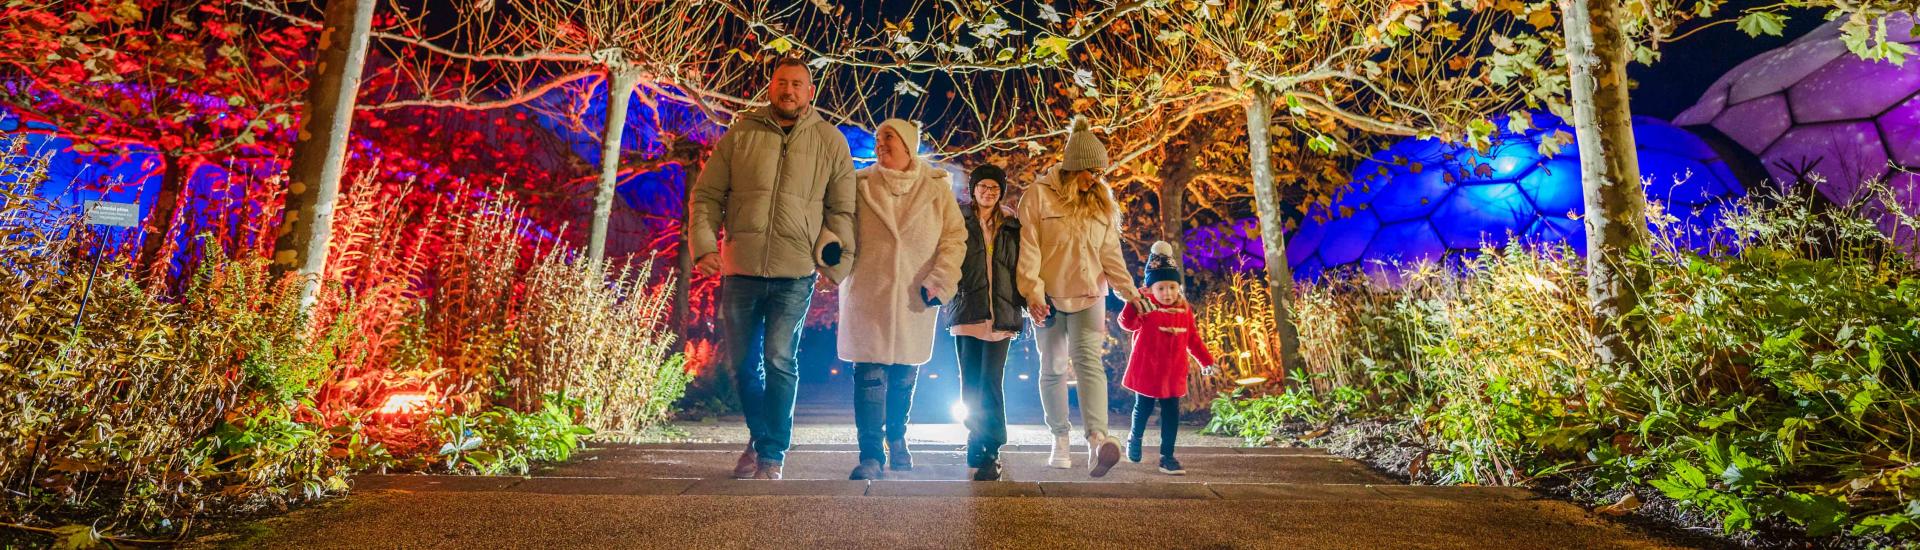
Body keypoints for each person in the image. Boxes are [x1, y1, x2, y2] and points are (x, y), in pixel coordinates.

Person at [687, 56, 858, 481]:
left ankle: (771, 455)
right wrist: (704, 247)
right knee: (742, 365)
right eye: (782, 82)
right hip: (740, 266)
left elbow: (841, 210)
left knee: (780, 359)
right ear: (770, 87)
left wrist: (832, 263)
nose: (789, 90)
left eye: (798, 84)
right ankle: (761, 438)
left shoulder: (830, 140)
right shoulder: (741, 133)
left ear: (810, 91)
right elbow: (707, 195)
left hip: (794, 269)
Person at [829, 118, 966, 481]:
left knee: (904, 375)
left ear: (908, 144)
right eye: (877, 139)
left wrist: (941, 280)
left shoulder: (935, 189)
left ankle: (898, 438)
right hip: (867, 293)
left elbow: (954, 239)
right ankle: (871, 454)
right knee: (869, 375)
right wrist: (830, 254)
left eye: (888, 137)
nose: (880, 144)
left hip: (915, 294)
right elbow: (837, 225)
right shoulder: (859, 185)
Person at [1016, 116, 1152, 477]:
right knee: (1054, 367)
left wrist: (1129, 291)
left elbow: (1110, 254)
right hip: (1047, 298)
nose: (1096, 179)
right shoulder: (1037, 197)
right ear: (1073, 167)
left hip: (1090, 294)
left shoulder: (1101, 202)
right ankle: (1060, 438)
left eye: (1099, 173)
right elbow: (1027, 250)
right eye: (1090, 171)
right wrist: (1032, 292)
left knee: (1089, 363)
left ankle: (1097, 439)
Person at [949, 163, 1024, 481]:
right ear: (973, 189)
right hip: (968, 311)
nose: (988, 192)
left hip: (1002, 314)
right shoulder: (958, 219)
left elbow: (1022, 266)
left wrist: (1029, 299)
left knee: (991, 383)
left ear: (1001, 192)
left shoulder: (1011, 223)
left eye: (994, 188)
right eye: (983, 186)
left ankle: (991, 447)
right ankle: (974, 438)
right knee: (971, 384)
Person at [1119, 241, 1217, 476]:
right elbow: (1128, 324)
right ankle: (1135, 438)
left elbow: (1192, 338)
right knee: (1142, 407)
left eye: (1172, 287)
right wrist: (1132, 305)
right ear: (1151, 290)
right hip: (1148, 369)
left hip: (1173, 372)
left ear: (1178, 288)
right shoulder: (1146, 307)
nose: (1167, 293)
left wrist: (1206, 361)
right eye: (1161, 288)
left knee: (1171, 413)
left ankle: (1168, 456)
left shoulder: (1184, 310)